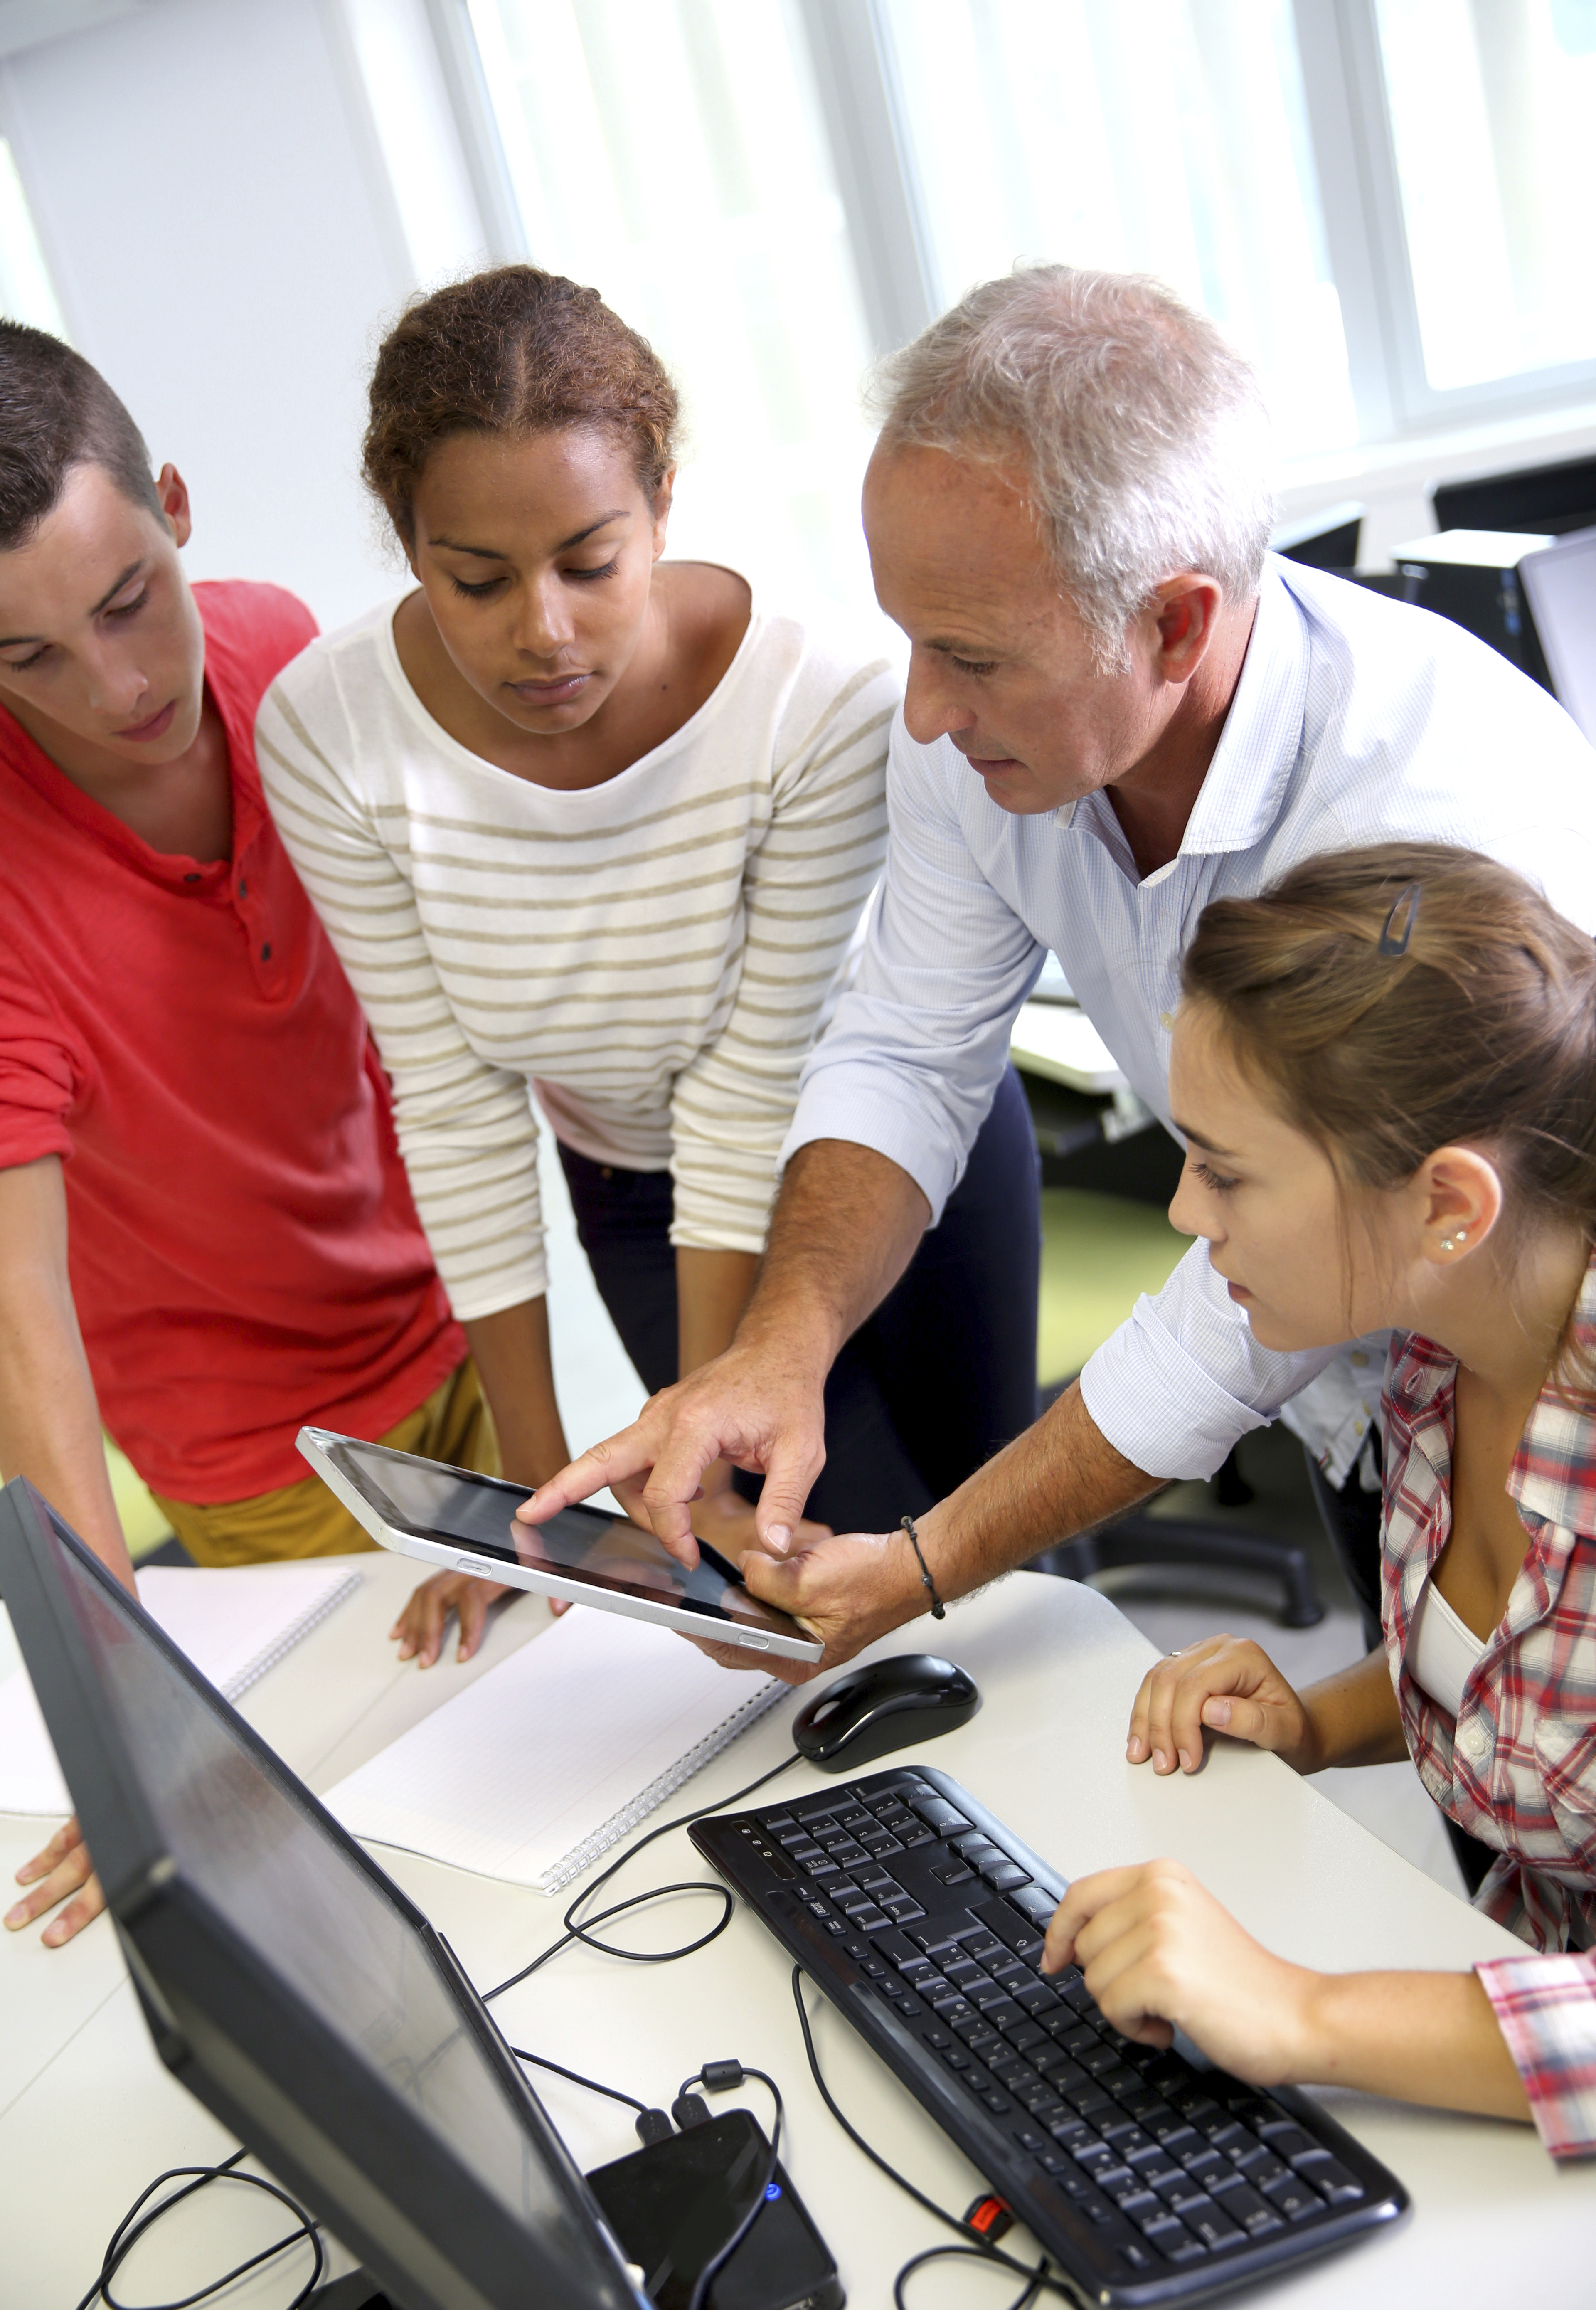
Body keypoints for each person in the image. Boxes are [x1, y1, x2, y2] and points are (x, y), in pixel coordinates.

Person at [518, 264, 1596, 1703]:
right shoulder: (985, 731)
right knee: (1466, 1799)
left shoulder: (1431, 823)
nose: (920, 709)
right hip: (1384, 1431)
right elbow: (908, 1041)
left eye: (967, 656)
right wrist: (780, 1347)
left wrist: (923, 1563)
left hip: (1534, 1427)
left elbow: (1228, 1320)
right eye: (907, 636)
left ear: (1173, 625)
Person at [257, 265, 1041, 1671]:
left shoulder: (815, 708)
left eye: (589, 561)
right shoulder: (328, 733)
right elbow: (450, 1102)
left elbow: (746, 1095)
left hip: (897, 1158)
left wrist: (714, 1442)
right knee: (788, 1619)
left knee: (995, 1576)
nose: (541, 631)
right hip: (637, 1192)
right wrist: (529, 1505)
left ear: (663, 499)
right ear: (404, 539)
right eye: (476, 579)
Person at [0, 325, 479, 1951]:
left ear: (180, 508)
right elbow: (22, 1327)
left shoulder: (288, 657)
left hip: (467, 1319)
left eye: (128, 601)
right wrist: (119, 1694)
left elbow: (433, 1028)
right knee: (417, 1859)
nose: (118, 687)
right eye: (28, 660)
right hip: (267, 1450)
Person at [1047, 841, 1596, 2155]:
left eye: (1226, 1172)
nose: (1186, 1210)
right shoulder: (1438, 1344)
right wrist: (1317, 1720)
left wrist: (1297, 2009)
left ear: (1449, 1205)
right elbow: (1517, 1686)